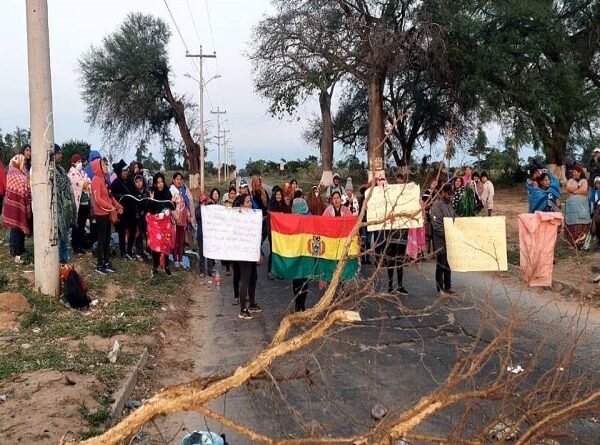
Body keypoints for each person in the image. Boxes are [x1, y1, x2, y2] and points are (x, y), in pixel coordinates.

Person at [90, 158, 123, 274]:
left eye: (106, 164)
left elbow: (110, 196)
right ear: (98, 167)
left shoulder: (105, 179)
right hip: (101, 214)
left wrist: (118, 206)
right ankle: (99, 265)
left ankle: (106, 262)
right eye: (104, 164)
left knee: (107, 239)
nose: (106, 166)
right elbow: (98, 200)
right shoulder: (95, 180)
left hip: (108, 213)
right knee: (101, 240)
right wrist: (110, 207)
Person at [235, 194, 262, 319]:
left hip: (251, 252)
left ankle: (251, 303)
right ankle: (242, 309)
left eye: (250, 201)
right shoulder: (238, 218)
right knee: (245, 280)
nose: (250, 203)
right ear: (241, 205)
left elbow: (256, 237)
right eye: (247, 202)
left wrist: (258, 252)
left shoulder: (253, 216)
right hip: (243, 253)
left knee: (253, 278)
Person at [3, 154, 32, 264]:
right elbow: (24, 183)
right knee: (15, 228)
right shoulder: (12, 172)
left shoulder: (22, 172)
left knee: (20, 228)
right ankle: (14, 250)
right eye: (22, 162)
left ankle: (20, 248)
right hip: (14, 205)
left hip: (19, 203)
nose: (23, 164)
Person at [146, 172, 176, 277]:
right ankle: (155, 267)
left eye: (161, 182)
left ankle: (166, 266)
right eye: (158, 182)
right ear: (155, 184)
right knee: (156, 245)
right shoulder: (152, 193)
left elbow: (173, 207)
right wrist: (151, 199)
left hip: (166, 225)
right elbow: (149, 210)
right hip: (155, 224)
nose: (160, 184)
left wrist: (173, 202)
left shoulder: (167, 193)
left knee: (165, 244)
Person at [430, 184, 456, 296]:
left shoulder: (449, 204)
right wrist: (448, 234)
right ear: (443, 192)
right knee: (441, 264)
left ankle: (448, 286)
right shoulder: (436, 206)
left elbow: (454, 218)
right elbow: (437, 226)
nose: (450, 196)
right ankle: (439, 289)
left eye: (451, 194)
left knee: (447, 264)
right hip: (440, 240)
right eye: (448, 194)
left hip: (449, 239)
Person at [54, 145, 77, 264]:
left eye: (61, 153)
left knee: (65, 238)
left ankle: (63, 261)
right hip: (57, 210)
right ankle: (57, 263)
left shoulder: (62, 170)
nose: (61, 155)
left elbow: (68, 187)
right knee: (58, 237)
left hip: (66, 209)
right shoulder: (50, 172)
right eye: (58, 153)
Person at [110, 160, 137, 260]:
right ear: (119, 173)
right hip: (121, 212)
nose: (126, 172)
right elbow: (112, 196)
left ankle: (129, 249)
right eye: (123, 171)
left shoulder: (130, 181)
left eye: (126, 171)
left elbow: (134, 194)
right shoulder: (115, 184)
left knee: (133, 230)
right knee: (121, 232)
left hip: (131, 211)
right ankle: (123, 252)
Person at [170, 172, 195, 269]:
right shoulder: (171, 191)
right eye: (177, 179)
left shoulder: (184, 190)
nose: (179, 181)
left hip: (183, 218)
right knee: (175, 241)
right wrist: (175, 217)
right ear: (173, 180)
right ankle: (175, 260)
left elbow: (187, 204)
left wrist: (188, 215)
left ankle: (180, 260)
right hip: (174, 220)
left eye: (181, 179)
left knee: (181, 241)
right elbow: (171, 206)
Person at [291, 195, 311, 312]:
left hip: (298, 254)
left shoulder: (293, 220)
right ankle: (301, 305)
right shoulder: (309, 217)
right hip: (305, 255)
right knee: (304, 280)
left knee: (298, 280)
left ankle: (299, 305)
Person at [68, 154, 91, 255]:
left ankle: (81, 245)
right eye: (78, 161)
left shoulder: (83, 172)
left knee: (82, 226)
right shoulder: (71, 173)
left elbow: (89, 182)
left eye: (80, 161)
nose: (80, 163)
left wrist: (85, 183)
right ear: (73, 163)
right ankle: (75, 246)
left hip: (85, 203)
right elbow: (79, 184)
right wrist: (84, 184)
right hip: (77, 204)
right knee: (76, 226)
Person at [564, 165, 591, 247]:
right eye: (573, 172)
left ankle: (582, 239)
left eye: (575, 172)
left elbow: (584, 189)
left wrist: (575, 191)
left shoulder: (584, 180)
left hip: (582, 203)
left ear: (579, 172)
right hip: (572, 203)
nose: (573, 173)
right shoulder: (570, 180)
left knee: (581, 218)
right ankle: (572, 240)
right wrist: (578, 188)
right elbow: (568, 188)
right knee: (572, 218)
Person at [268, 186, 290, 279]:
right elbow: (270, 219)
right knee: (273, 252)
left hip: (282, 234)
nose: (278, 196)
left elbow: (289, 216)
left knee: (281, 253)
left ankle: (280, 272)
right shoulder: (272, 206)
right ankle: (270, 271)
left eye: (280, 194)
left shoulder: (285, 206)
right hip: (273, 233)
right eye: (277, 194)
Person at [195, 192, 215, 277]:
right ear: (200, 201)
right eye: (202, 200)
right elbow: (198, 215)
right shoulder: (198, 209)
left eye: (205, 200)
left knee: (210, 252)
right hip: (201, 234)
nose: (203, 202)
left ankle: (210, 271)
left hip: (209, 234)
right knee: (202, 252)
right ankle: (202, 271)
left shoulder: (210, 209)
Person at [133, 174, 150, 259]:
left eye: (140, 181)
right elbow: (134, 205)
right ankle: (139, 252)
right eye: (136, 182)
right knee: (138, 235)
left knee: (147, 234)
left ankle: (148, 250)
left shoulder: (147, 192)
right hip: (138, 217)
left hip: (146, 216)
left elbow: (149, 203)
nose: (139, 183)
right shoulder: (134, 193)